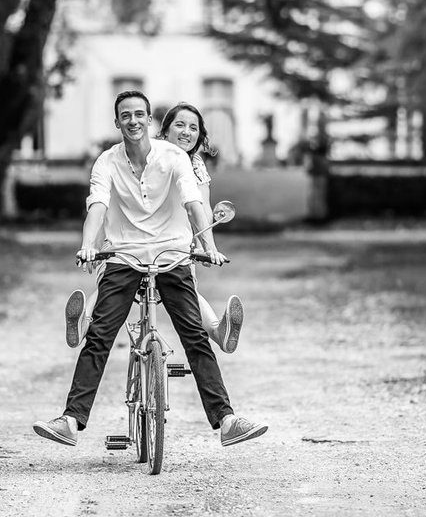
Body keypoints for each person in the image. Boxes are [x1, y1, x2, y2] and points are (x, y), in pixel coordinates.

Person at [33, 90, 267, 448]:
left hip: (171, 256)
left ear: (149, 120)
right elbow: (97, 206)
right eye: (125, 115)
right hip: (125, 257)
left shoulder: (173, 157)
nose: (133, 121)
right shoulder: (106, 162)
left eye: (139, 114)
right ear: (117, 122)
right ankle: (70, 420)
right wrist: (88, 245)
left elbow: (192, 203)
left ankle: (227, 420)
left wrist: (209, 248)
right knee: (100, 337)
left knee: (195, 337)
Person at [62, 100, 243, 354]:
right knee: (109, 279)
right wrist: (92, 245)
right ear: (164, 130)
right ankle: (82, 324)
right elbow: (106, 204)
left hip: (173, 244)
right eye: (179, 125)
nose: (186, 132)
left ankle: (217, 330)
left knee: (187, 289)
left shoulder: (195, 165)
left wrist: (207, 246)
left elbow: (200, 207)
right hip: (127, 240)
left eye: (193, 128)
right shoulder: (140, 157)